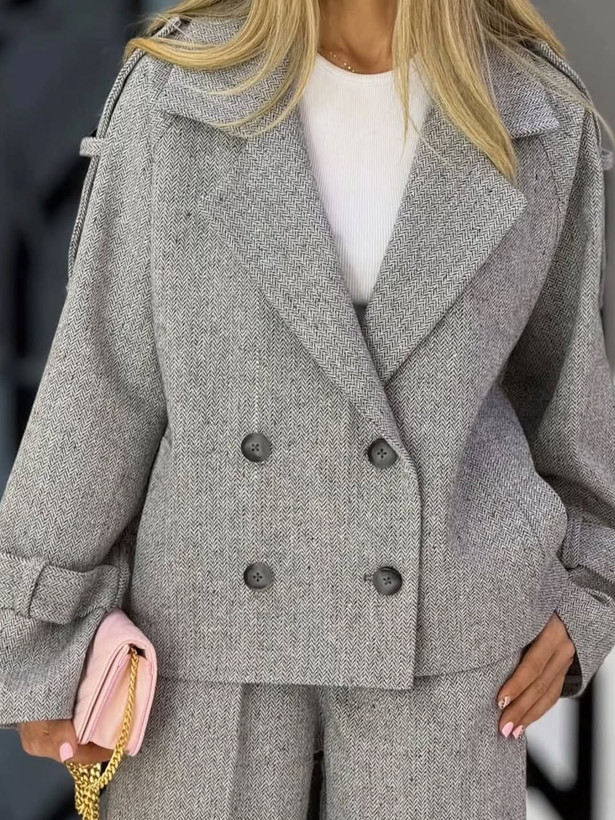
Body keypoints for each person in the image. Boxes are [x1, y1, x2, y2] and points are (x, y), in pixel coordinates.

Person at [1, 0, 615, 817]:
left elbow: (574, 400)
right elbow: (105, 381)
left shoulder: (535, 115)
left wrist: (587, 593)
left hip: (444, 659)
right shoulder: (181, 93)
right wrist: (42, 636)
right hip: (207, 652)